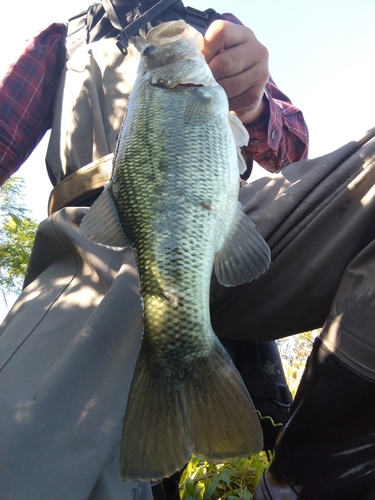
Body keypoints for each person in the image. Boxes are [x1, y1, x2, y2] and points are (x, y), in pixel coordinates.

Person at [0, 1, 374, 499]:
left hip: (232, 216)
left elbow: (290, 147)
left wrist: (256, 102)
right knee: (28, 452)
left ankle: (300, 483)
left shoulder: (217, 31)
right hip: (100, 234)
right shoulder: (58, 42)